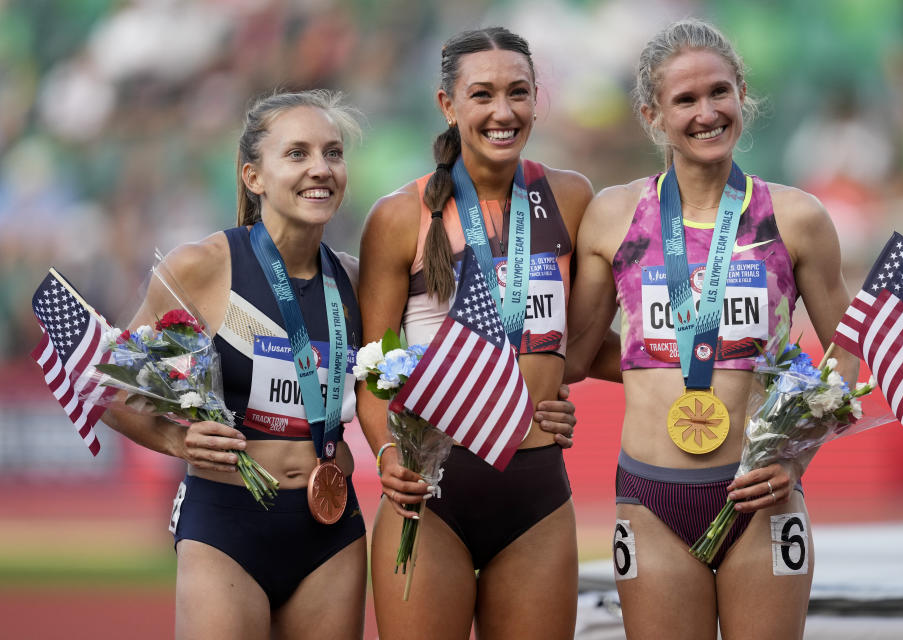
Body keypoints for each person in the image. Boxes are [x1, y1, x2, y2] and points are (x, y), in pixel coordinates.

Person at [564, 19, 859, 640]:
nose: (707, 113)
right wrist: (662, 360)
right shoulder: (614, 216)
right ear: (653, 114)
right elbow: (577, 354)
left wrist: (798, 451)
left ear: (742, 93)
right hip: (651, 499)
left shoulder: (796, 217)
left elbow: (848, 352)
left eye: (719, 93)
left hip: (763, 497)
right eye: (685, 100)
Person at [101, 90, 369, 639]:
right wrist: (177, 442)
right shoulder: (201, 267)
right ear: (254, 177)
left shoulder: (357, 281)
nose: (321, 168)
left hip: (331, 530)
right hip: (227, 522)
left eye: (333, 153)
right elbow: (109, 387)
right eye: (297, 153)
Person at [357, 27, 593, 640]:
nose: (503, 111)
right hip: (431, 491)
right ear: (448, 105)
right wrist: (387, 454)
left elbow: (589, 341)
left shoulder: (569, 197)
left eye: (519, 93)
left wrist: (710, 363)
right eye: (482, 94)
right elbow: (370, 368)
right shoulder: (399, 216)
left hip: (535, 489)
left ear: (537, 99)